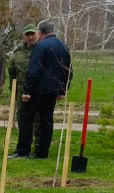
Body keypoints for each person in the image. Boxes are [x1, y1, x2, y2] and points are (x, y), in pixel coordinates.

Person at [14, 20, 72, 160]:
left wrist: (27, 91)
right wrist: (63, 89)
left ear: (40, 32)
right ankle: (42, 153)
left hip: (38, 90)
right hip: (53, 90)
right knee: (47, 119)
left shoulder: (40, 46)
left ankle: (23, 151)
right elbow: (68, 70)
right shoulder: (63, 46)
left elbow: (34, 69)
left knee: (26, 117)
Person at [8, 26, 38, 147]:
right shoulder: (18, 52)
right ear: (24, 36)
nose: (30, 37)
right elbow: (12, 71)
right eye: (28, 34)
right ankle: (24, 145)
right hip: (21, 91)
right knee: (22, 119)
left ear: (37, 34)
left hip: (38, 90)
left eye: (32, 34)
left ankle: (38, 146)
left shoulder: (42, 49)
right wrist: (13, 91)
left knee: (38, 119)